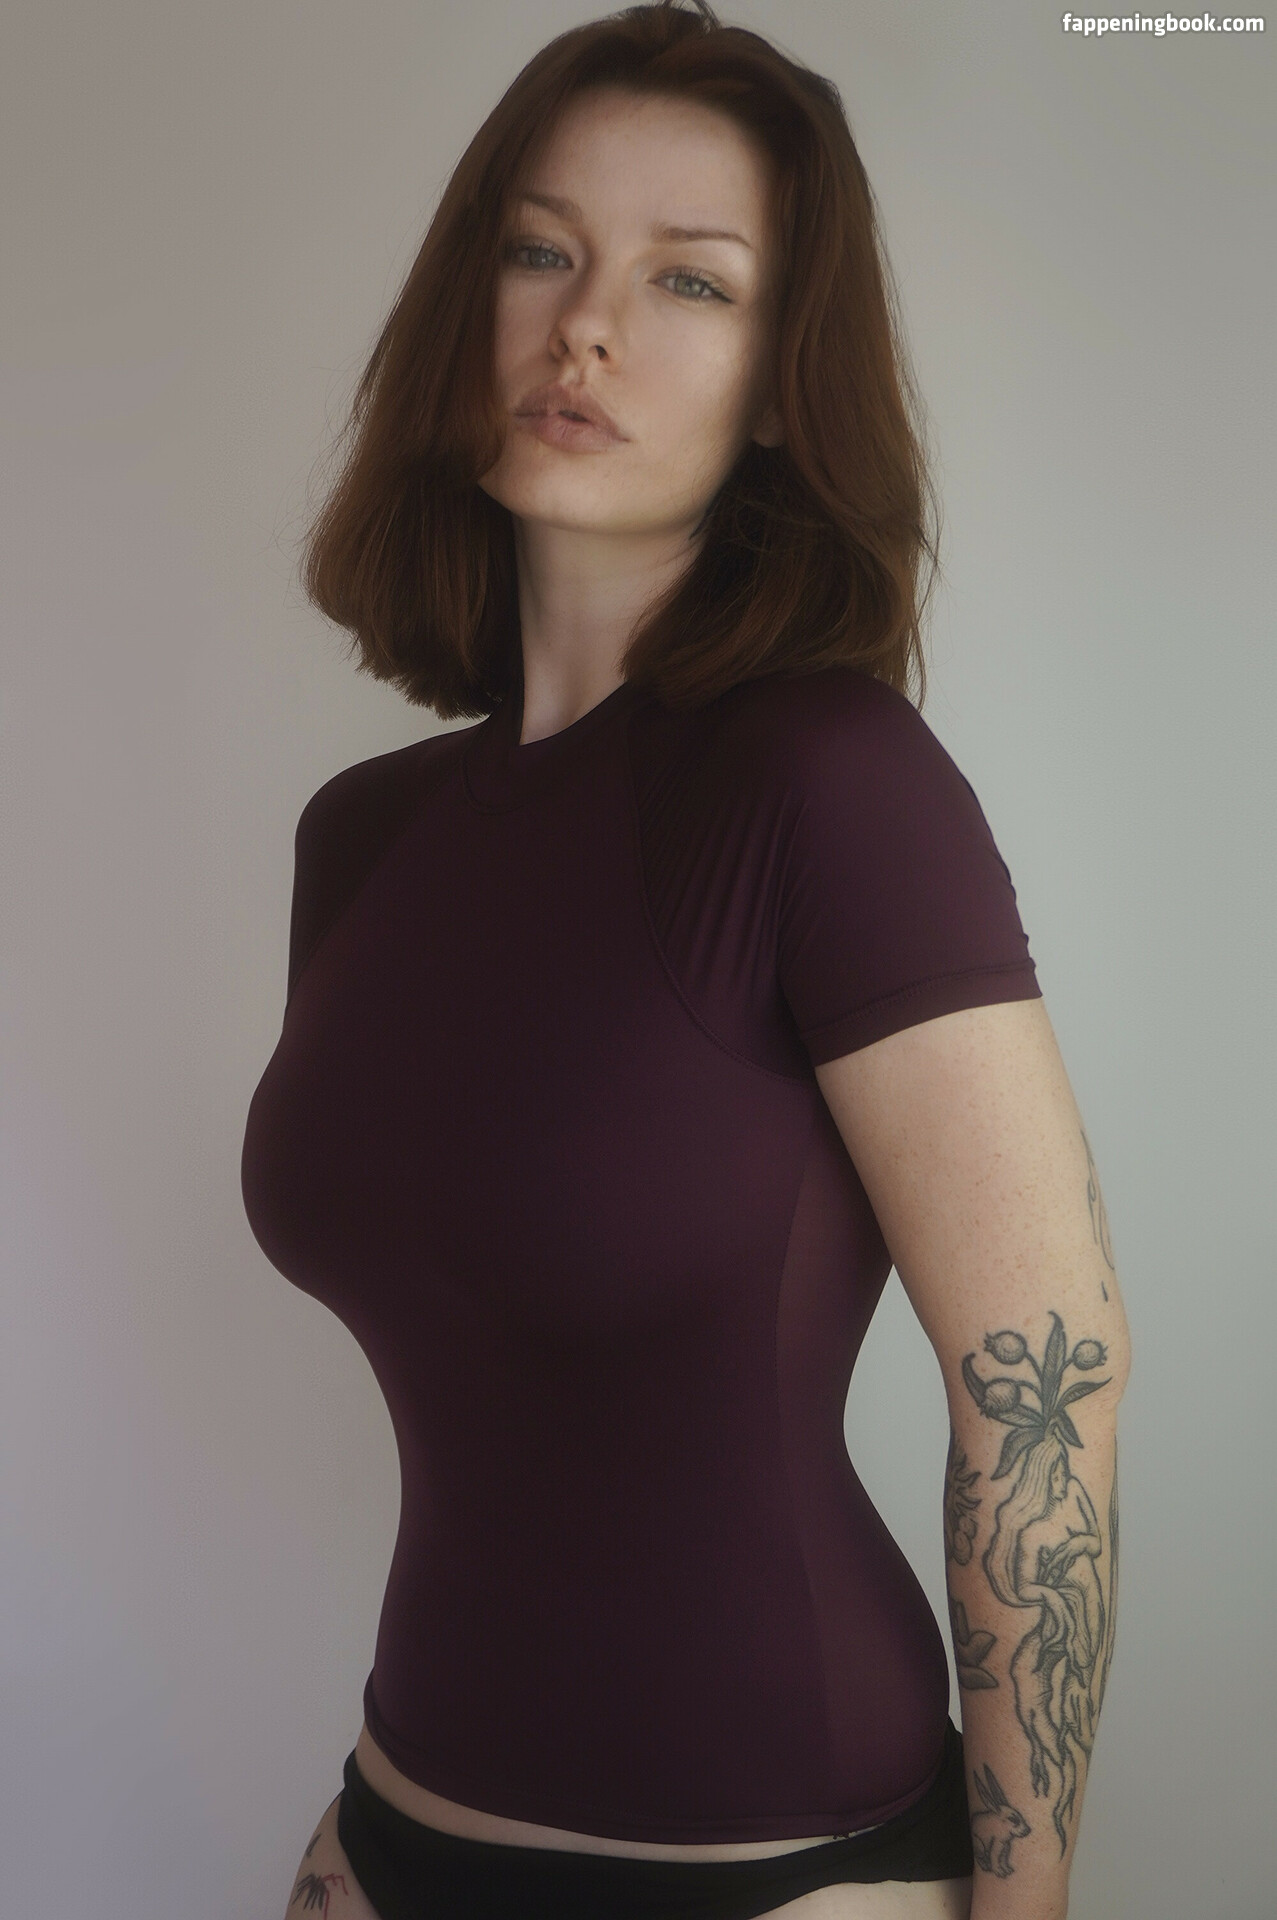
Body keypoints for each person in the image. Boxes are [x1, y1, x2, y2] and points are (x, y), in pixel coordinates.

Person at [239, 4, 1131, 1916]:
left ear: (783, 383)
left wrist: (1024, 1907)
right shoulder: (361, 838)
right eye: (540, 250)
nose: (586, 328)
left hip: (775, 1874)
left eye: (689, 281)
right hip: (393, 1832)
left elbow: (1042, 1385)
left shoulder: (830, 782)